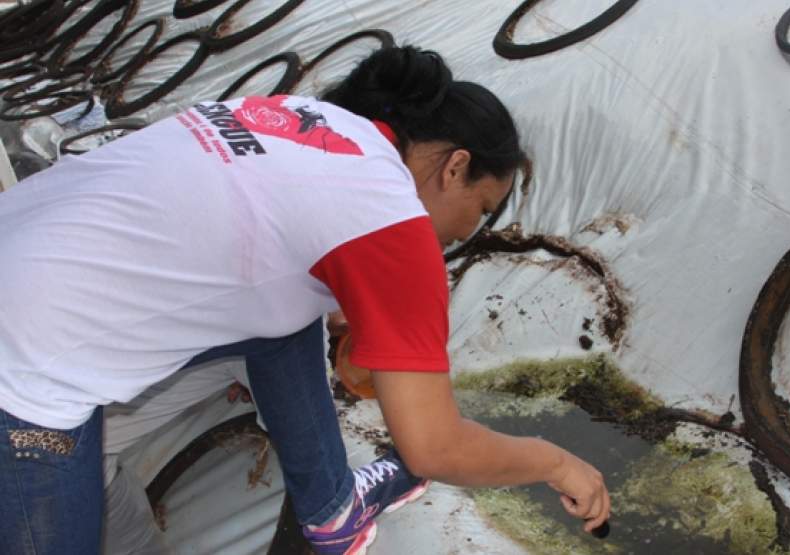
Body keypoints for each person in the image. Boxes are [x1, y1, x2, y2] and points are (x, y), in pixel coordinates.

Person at [0, 45, 610, 555]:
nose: (461, 235)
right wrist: (557, 463)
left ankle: (331, 507)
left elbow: (253, 248)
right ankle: (331, 506)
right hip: (20, 390)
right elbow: (434, 446)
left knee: (288, 320)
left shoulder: (292, 116)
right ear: (455, 167)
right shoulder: (392, 220)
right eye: (478, 211)